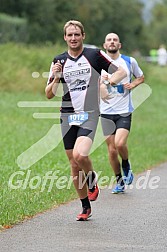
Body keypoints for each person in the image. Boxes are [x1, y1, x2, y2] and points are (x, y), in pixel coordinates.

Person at [45, 21, 127, 220]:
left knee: (81, 156)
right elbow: (48, 94)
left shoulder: (93, 55)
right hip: (67, 116)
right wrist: (56, 77)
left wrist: (109, 80)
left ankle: (91, 181)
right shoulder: (59, 61)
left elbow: (121, 71)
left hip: (89, 113)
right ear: (65, 37)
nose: (73, 38)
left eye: (77, 34)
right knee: (74, 164)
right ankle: (85, 207)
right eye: (69, 35)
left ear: (83, 36)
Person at [100, 33, 144, 194]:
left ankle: (126, 164)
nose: (112, 42)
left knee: (119, 144)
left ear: (120, 45)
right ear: (104, 45)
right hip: (105, 112)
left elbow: (141, 77)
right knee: (111, 150)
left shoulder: (129, 61)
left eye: (115, 40)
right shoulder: (99, 62)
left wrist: (133, 84)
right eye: (109, 40)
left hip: (124, 111)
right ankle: (119, 181)